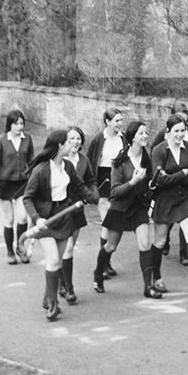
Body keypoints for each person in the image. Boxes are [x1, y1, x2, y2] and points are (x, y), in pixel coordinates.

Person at [22, 129, 99, 321]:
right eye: (67, 142)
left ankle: (47, 296)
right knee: (54, 260)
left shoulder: (67, 166)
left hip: (64, 218)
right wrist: (37, 218)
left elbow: (79, 187)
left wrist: (95, 197)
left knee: (57, 261)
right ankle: (53, 305)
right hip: (46, 220)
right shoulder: (41, 170)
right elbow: (28, 198)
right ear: (59, 146)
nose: (71, 145)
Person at [96, 119, 162, 299]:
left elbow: (148, 187)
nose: (145, 136)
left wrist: (152, 187)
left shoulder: (146, 159)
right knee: (110, 246)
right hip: (120, 208)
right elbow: (115, 191)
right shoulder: (120, 161)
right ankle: (98, 273)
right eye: (141, 133)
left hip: (138, 208)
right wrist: (132, 182)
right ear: (132, 138)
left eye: (146, 133)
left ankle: (148, 287)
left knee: (144, 244)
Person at [150, 114, 188, 296]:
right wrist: (181, 175)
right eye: (176, 131)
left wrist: (176, 176)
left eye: (183, 130)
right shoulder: (159, 151)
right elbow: (159, 179)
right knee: (160, 240)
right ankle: (157, 278)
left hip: (185, 198)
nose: (180, 134)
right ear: (167, 131)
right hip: (165, 200)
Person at [0, 108, 35, 265]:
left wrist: (34, 181)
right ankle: (9, 252)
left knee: (22, 218)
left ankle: (20, 249)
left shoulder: (27, 139)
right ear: (10, 125)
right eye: (16, 124)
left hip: (22, 183)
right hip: (4, 184)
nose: (20, 126)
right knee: (9, 219)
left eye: (22, 123)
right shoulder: (1, 140)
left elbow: (32, 162)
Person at [58, 125, 98, 304]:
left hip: (78, 209)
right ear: (65, 141)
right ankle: (69, 288)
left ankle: (61, 281)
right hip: (61, 209)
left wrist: (93, 194)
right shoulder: (59, 160)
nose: (75, 142)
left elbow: (90, 180)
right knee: (65, 248)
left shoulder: (84, 160)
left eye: (78, 138)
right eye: (71, 138)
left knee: (69, 247)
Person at [86, 106, 124, 282]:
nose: (120, 124)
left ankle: (106, 263)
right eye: (117, 121)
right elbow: (89, 162)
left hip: (117, 184)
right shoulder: (98, 140)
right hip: (102, 183)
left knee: (113, 225)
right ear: (107, 122)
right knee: (107, 224)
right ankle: (102, 266)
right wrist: (90, 189)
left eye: (121, 120)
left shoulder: (123, 139)